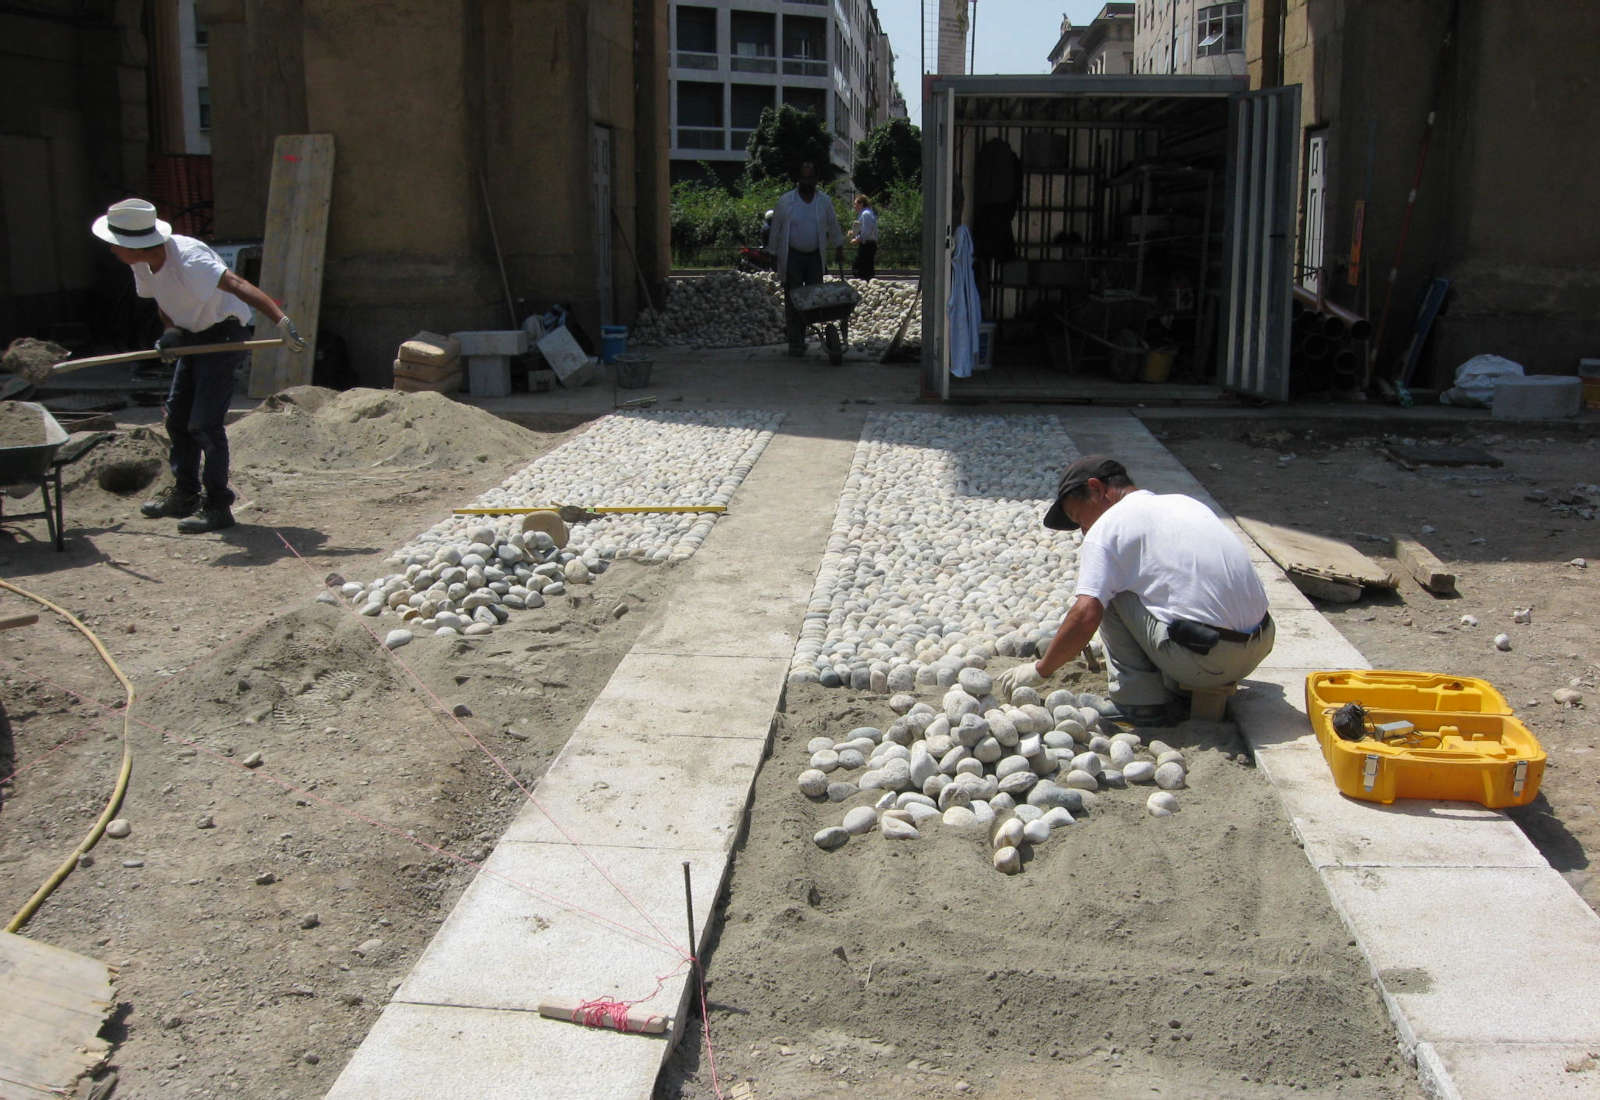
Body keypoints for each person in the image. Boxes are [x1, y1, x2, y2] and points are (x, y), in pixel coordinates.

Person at [994, 455, 1275, 724]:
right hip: (1260, 645)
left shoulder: (1107, 527)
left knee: (1108, 594)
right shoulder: (1184, 502)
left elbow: (1085, 614)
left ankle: (1138, 702)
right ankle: (1178, 682)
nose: (1083, 530)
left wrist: (1041, 670)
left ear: (1096, 488)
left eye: (1078, 518)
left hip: (1207, 660)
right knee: (1147, 587)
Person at [92, 198, 304, 533]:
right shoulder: (142, 265)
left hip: (222, 335)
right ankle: (185, 494)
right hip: (193, 336)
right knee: (177, 418)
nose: (111, 250)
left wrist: (281, 321)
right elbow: (163, 301)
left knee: (204, 424)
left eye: (113, 244)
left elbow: (237, 284)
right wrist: (172, 333)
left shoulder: (191, 259)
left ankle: (218, 506)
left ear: (132, 244)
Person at [770, 161, 844, 357]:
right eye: (804, 177)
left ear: (816, 180)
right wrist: (772, 253)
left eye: (811, 177)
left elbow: (833, 225)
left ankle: (811, 333)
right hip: (792, 254)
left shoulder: (824, 201)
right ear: (798, 180)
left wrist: (839, 246)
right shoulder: (786, 201)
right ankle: (796, 341)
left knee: (813, 298)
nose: (807, 181)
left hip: (814, 256)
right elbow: (776, 228)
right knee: (794, 297)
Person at [849, 194, 878, 280]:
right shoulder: (867, 213)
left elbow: (866, 231)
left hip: (867, 244)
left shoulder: (865, 214)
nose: (854, 206)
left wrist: (857, 239)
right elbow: (863, 229)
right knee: (866, 269)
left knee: (858, 268)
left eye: (855, 204)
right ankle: (867, 285)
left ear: (861, 204)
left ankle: (865, 285)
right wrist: (853, 233)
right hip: (868, 244)